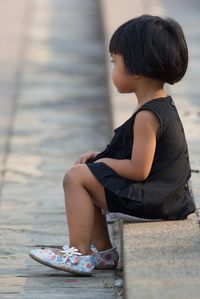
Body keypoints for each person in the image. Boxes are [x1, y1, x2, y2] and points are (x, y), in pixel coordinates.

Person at [29, 15, 196, 276]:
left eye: (115, 62)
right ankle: (104, 253)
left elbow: (139, 169)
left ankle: (80, 253)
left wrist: (104, 163)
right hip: (165, 198)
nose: (113, 69)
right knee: (88, 173)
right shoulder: (161, 106)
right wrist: (100, 159)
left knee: (76, 177)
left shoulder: (147, 116)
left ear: (137, 70)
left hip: (153, 202)